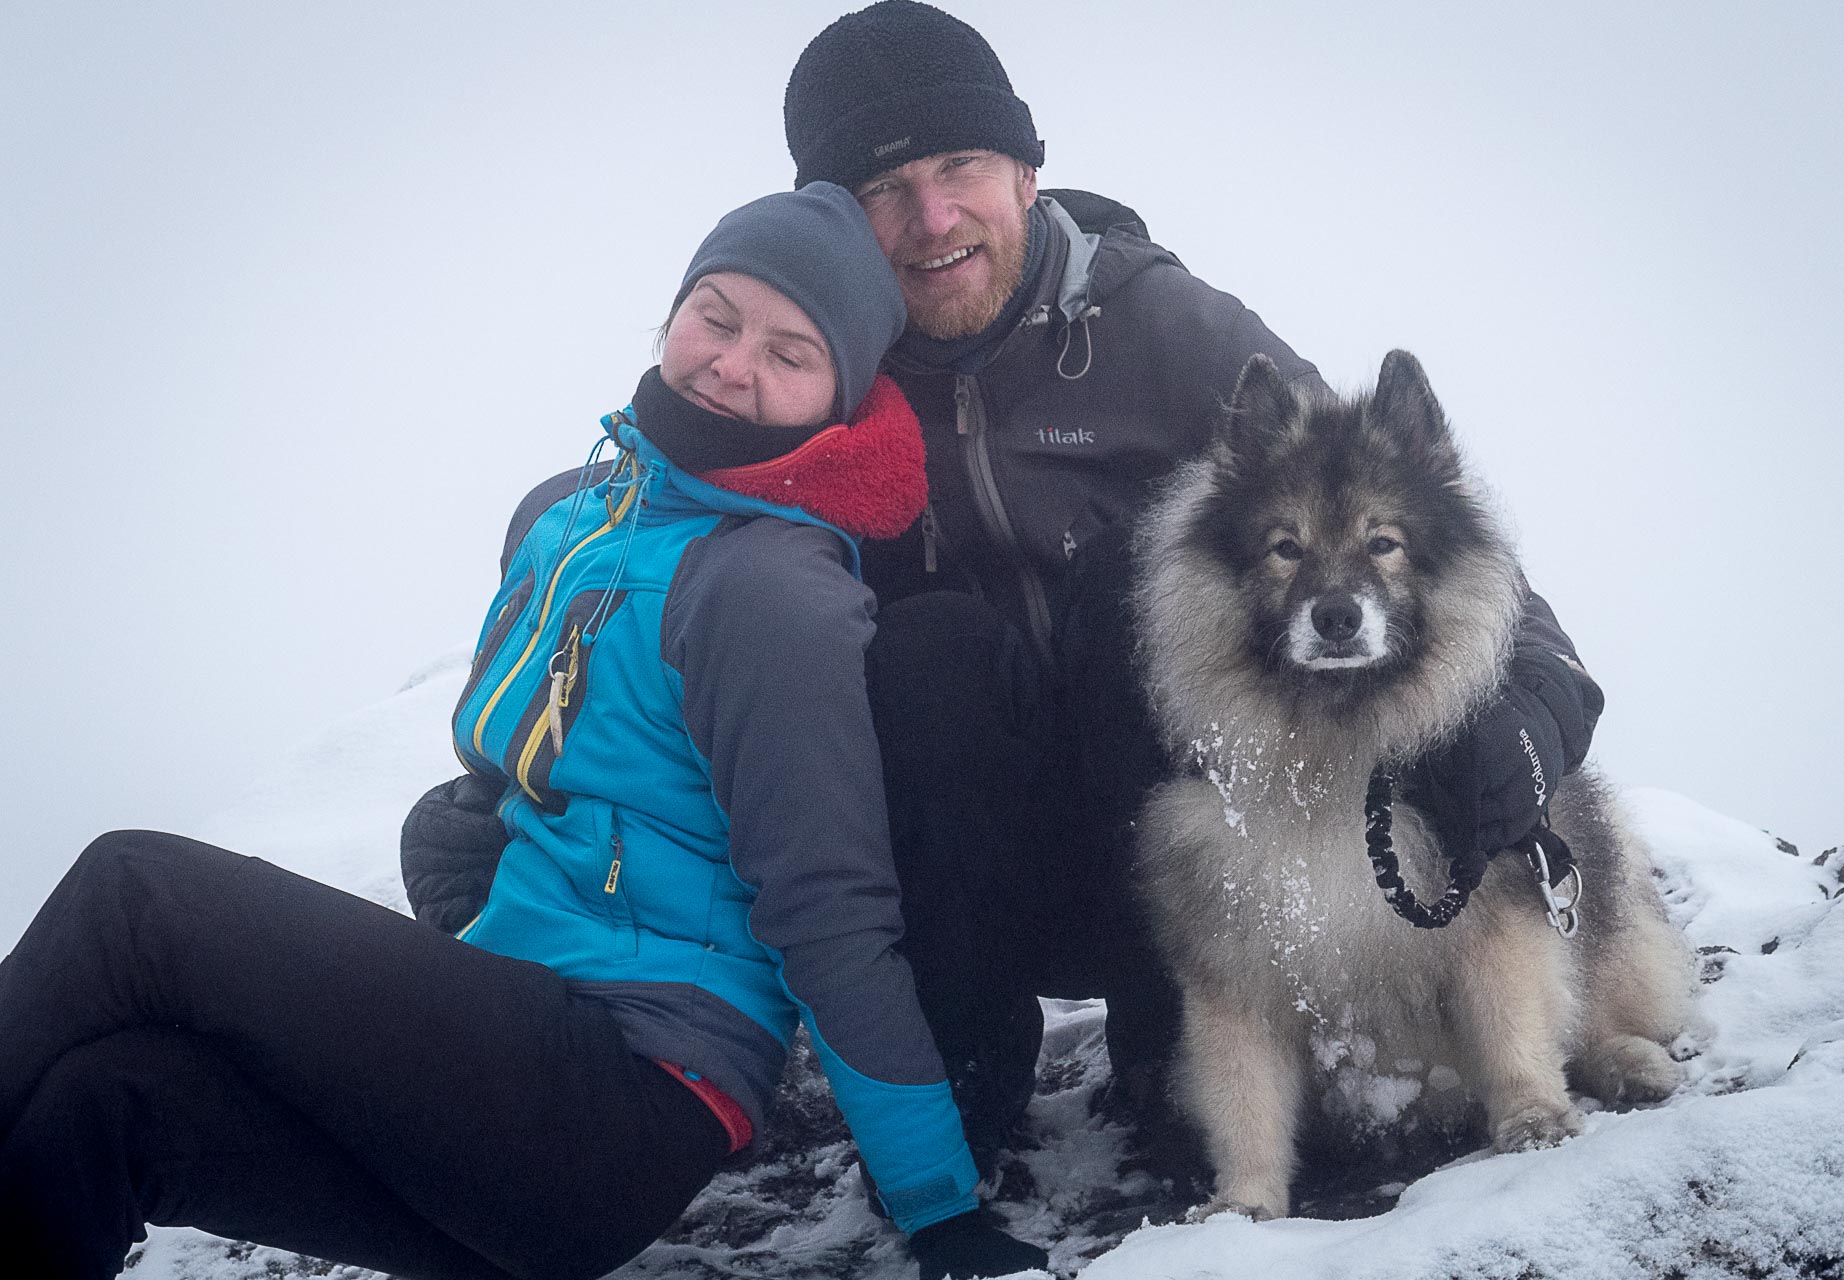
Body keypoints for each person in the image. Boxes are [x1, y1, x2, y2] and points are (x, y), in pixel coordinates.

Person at [406, 0, 1607, 1184]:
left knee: (1132, 594)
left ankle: (1168, 1063)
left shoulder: (1163, 326)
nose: (931, 218)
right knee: (924, 645)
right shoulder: (815, 368)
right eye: (883, 190)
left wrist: (1528, 717)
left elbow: (1425, 534)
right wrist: (517, 787)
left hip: (1182, 853)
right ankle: (962, 1079)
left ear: (1027, 169)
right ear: (837, 217)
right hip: (951, 867)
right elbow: (680, 587)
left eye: (960, 164)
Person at [0, 184, 1049, 1280]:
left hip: (622, 1097)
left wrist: (938, 1208)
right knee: (110, 1104)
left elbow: (827, 906)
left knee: (136, 896)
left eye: (790, 353)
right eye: (718, 316)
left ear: (839, 398)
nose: (734, 364)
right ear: (671, 313)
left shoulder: (766, 590)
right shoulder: (586, 512)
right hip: (505, 1082)